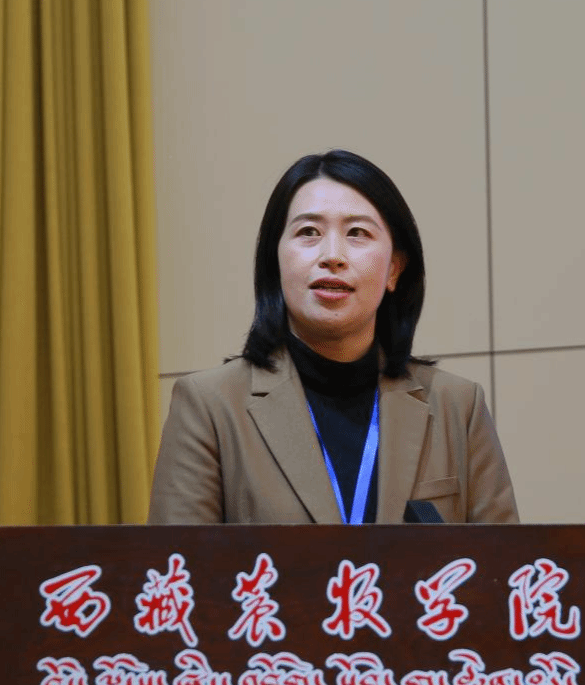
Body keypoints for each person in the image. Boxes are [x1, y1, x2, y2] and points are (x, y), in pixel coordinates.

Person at [148, 149, 518, 524]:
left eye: (358, 233)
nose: (332, 256)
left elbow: (502, 560)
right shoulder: (209, 406)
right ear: (275, 262)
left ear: (394, 269)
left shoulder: (458, 406)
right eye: (308, 232)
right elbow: (180, 559)